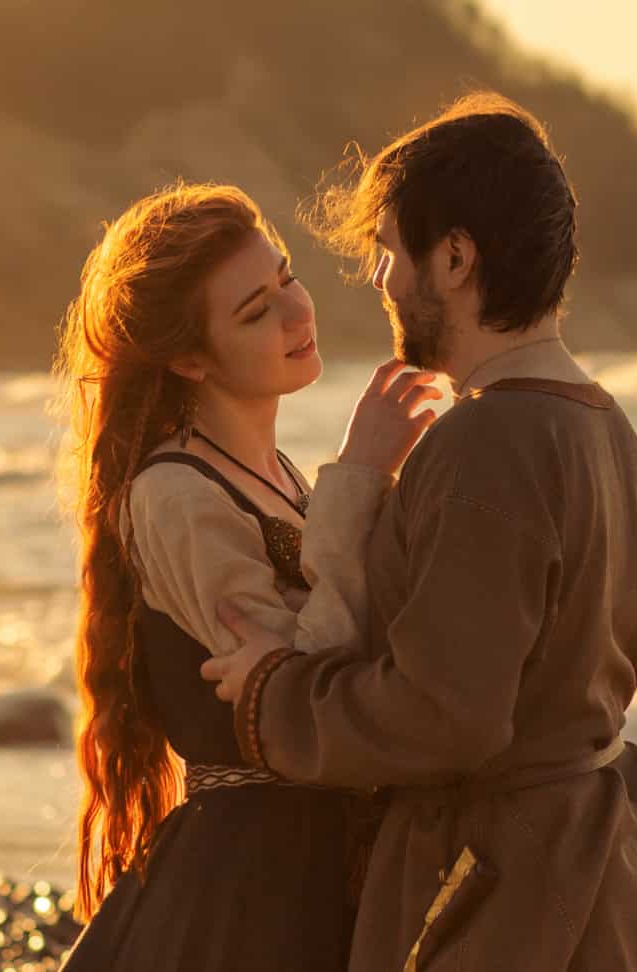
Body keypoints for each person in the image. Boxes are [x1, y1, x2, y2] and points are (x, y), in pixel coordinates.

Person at [202, 94, 637, 971]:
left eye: (392, 251)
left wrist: (271, 695)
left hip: (509, 900)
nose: (384, 282)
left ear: (457, 257)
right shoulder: (604, 425)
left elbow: (443, 716)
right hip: (606, 871)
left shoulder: (487, 441)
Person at [52, 182, 440, 971]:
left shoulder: (284, 478)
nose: (297, 314)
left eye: (286, 277)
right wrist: (363, 473)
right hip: (254, 883)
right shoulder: (174, 495)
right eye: (255, 310)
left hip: (322, 861)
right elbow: (292, 688)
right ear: (188, 357)